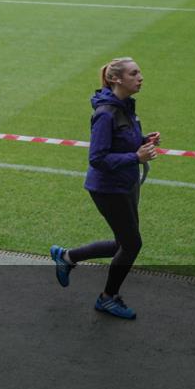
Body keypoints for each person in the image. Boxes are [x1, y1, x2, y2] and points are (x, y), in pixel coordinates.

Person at [50, 57, 159, 320]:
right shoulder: (105, 114)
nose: (140, 77)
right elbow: (97, 158)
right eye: (134, 73)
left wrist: (144, 141)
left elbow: (123, 141)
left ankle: (66, 257)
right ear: (116, 79)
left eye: (140, 72)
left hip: (126, 183)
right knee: (132, 244)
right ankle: (107, 298)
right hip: (109, 189)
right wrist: (136, 158)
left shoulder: (125, 106)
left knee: (122, 243)